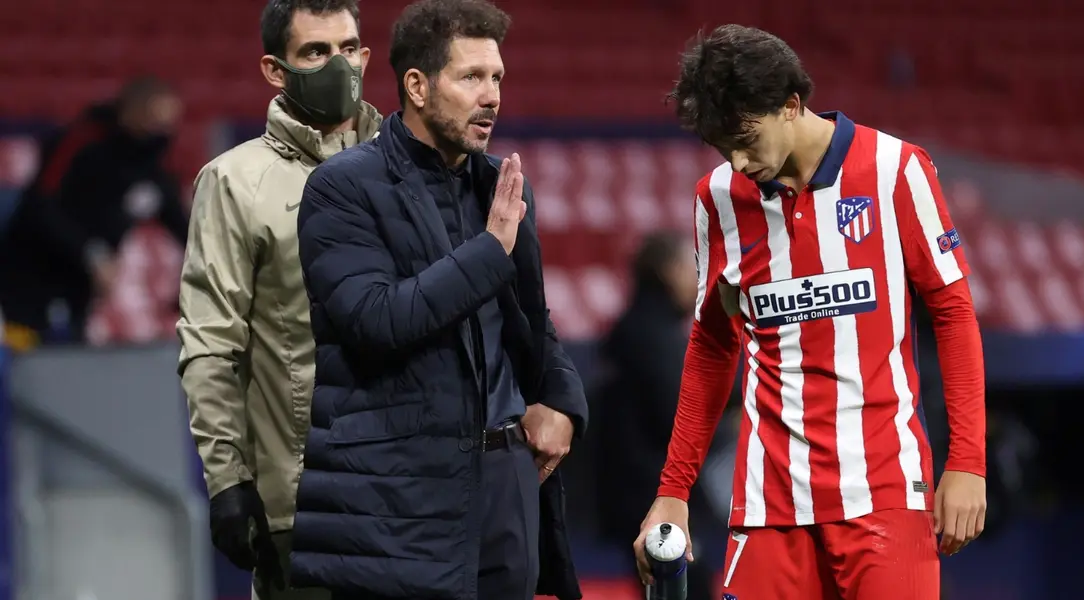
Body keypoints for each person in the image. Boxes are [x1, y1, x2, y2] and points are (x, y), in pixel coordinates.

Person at [633, 25, 988, 600]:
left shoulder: (896, 169)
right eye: (725, 149)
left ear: (791, 104)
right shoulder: (717, 198)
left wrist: (967, 461)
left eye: (748, 139)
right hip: (769, 501)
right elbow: (712, 347)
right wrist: (673, 488)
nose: (740, 162)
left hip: (884, 491)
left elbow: (953, 313)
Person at [288, 0, 588, 599]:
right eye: (471, 77)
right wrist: (490, 247)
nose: (492, 96)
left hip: (504, 481)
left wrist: (560, 399)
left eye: (497, 77)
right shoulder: (343, 187)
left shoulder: (498, 185)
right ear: (418, 86)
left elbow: (531, 321)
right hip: (396, 492)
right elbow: (376, 320)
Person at [174, 1, 381, 598]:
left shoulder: (407, 168)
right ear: (275, 70)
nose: (337, 66)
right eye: (315, 52)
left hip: (412, 499)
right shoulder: (234, 182)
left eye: (347, 49)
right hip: (305, 503)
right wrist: (227, 482)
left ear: (366, 57)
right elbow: (211, 344)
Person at [0, 76, 187, 348]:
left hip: (78, 289)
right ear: (131, 112)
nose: (162, 132)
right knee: (25, 357)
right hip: (29, 277)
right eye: (154, 120)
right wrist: (92, 254)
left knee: (67, 355)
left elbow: (184, 227)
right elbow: (40, 205)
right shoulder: (82, 142)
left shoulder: (153, 169)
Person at [594, 231, 729, 600]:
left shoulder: (633, 331)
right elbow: (679, 419)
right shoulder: (653, 339)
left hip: (636, 497)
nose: (697, 279)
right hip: (657, 501)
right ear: (669, 271)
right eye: (691, 268)